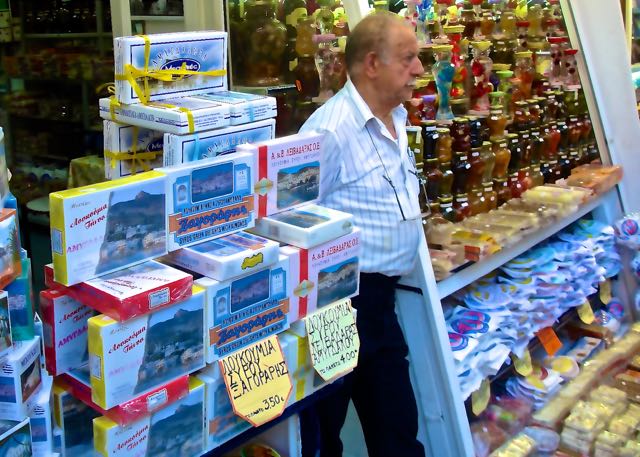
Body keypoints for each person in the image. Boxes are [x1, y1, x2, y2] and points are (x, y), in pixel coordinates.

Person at [299, 11, 426, 457]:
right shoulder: (329, 130)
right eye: (408, 58)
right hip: (336, 304)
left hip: (379, 303)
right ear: (372, 64)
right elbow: (294, 220)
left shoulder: (398, 119)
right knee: (323, 433)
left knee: (397, 433)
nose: (419, 69)